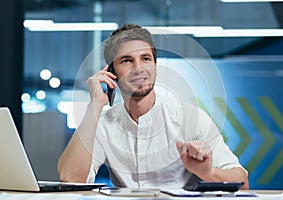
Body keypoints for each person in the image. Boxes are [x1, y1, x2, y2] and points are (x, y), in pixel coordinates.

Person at [57, 24, 249, 189]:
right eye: (127, 60)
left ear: (155, 65)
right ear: (111, 71)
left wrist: (208, 173)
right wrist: (95, 105)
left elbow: (242, 183)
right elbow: (71, 179)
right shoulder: (103, 123)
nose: (139, 68)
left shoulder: (191, 118)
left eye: (146, 59)